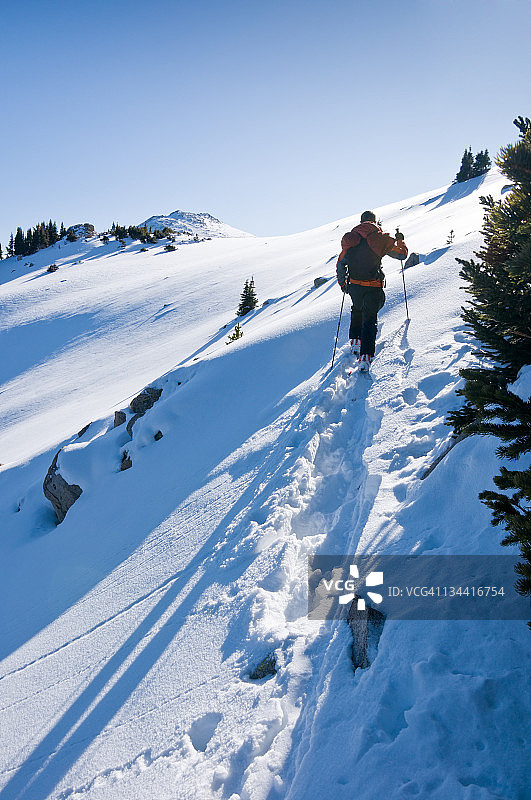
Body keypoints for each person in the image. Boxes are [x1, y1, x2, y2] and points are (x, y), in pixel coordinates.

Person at [336, 211, 408, 370]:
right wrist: (400, 241)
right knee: (370, 318)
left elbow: (340, 264)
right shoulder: (379, 239)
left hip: (354, 285)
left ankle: (355, 342)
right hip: (373, 286)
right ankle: (365, 357)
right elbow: (401, 255)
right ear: (374, 222)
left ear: (361, 222)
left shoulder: (350, 240)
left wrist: (343, 284)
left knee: (357, 309)